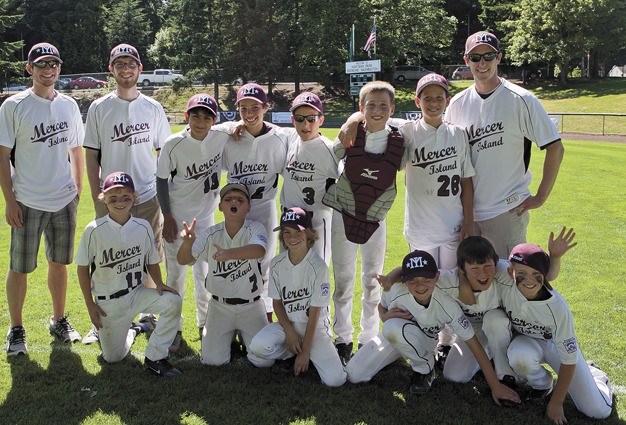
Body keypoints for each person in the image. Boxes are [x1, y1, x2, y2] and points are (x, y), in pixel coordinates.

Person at [444, 31, 564, 259]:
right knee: (475, 285)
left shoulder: (521, 100)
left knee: (508, 282)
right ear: (466, 60)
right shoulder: (458, 104)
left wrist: (540, 197)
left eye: (488, 56)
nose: (482, 63)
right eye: (475, 57)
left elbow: (555, 148)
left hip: (506, 211)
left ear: (499, 57)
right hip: (466, 214)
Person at [345, 250, 520, 406]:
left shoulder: (447, 303)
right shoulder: (396, 289)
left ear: (436, 277)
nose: (420, 285)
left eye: (426, 279)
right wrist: (383, 315)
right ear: (404, 281)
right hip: (396, 336)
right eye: (413, 280)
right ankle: (406, 354)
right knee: (354, 374)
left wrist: (495, 385)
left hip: (425, 341)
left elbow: (472, 342)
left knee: (392, 329)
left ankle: (425, 368)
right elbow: (382, 305)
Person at [82, 43, 172, 343]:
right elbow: (91, 154)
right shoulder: (99, 107)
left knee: (150, 255)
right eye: (119, 64)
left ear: (139, 69)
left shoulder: (153, 107)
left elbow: (165, 153)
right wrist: (98, 196)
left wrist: (163, 194)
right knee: (106, 259)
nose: (125, 69)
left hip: (146, 194)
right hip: (111, 198)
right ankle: (101, 316)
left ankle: (146, 312)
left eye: (131, 63)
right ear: (112, 70)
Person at [0, 42, 84, 355]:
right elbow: (3, 155)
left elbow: (76, 148)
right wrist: (9, 200)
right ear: (29, 69)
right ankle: (16, 328)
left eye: (53, 65)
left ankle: (59, 319)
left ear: (59, 68)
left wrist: (77, 188)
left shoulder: (69, 105)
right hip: (27, 200)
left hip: (64, 200)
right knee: (20, 267)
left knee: (59, 263)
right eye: (41, 65)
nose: (48, 71)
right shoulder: (14, 105)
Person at [322, 81, 406, 365]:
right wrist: (352, 121)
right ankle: (342, 338)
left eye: (384, 105)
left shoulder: (400, 139)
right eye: (370, 105)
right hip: (343, 215)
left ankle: (368, 337)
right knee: (343, 281)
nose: (377, 110)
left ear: (392, 109)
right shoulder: (349, 136)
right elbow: (330, 155)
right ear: (361, 108)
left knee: (373, 281)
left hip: (375, 219)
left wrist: (354, 117)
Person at [75, 172, 183, 377]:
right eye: (113, 198)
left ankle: (155, 357)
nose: (120, 202)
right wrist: (90, 304)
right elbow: (82, 269)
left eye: (126, 197)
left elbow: (151, 259)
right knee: (113, 358)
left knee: (173, 301)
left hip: (136, 293)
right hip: (109, 304)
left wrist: (159, 283)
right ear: (103, 200)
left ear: (134, 198)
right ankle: (131, 330)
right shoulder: (94, 230)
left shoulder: (142, 226)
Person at [503, 243, 613, 423]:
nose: (529, 280)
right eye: (521, 274)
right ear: (510, 272)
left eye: (536, 274)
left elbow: (568, 359)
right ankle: (541, 385)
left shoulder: (557, 308)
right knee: (519, 355)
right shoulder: (503, 278)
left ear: (544, 275)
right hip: (527, 342)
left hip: (557, 348)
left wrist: (557, 402)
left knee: (597, 411)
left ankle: (595, 374)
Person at [156, 94, 231, 351]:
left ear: (214, 119)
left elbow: (241, 126)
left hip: (207, 219)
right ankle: (173, 327)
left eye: (207, 116)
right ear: (187, 117)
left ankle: (205, 323)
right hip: (177, 217)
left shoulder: (221, 136)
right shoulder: (173, 143)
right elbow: (161, 180)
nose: (201, 121)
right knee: (176, 275)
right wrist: (166, 216)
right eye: (195, 115)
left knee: (205, 275)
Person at [177, 182, 272, 368]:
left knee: (264, 361)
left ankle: (244, 339)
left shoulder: (255, 228)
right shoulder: (211, 233)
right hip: (220, 306)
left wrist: (228, 255)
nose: (233, 203)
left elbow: (259, 250)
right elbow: (183, 260)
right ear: (220, 206)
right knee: (213, 361)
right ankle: (230, 340)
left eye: (240, 200)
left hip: (251, 305)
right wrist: (187, 244)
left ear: (248, 207)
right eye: (228, 199)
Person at [249, 207, 346, 387]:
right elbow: (277, 303)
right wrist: (290, 332)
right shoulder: (277, 262)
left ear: (309, 234)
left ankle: (303, 353)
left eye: (297, 232)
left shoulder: (318, 267)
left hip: (314, 328)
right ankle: (290, 353)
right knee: (257, 350)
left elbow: (315, 312)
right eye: (286, 232)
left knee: (335, 380)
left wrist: (306, 352)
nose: (292, 238)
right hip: (288, 324)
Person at [221, 83, 289, 320]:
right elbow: (206, 130)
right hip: (236, 210)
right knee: (234, 261)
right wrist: (232, 125)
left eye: (255, 108)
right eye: (243, 108)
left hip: (264, 207)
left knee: (265, 263)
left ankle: (267, 314)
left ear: (266, 107)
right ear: (237, 109)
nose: (249, 114)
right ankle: (234, 313)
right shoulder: (230, 136)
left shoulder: (280, 136)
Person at [279, 92, 340, 265]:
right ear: (293, 120)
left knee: (317, 273)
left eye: (312, 118)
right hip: (289, 222)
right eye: (300, 118)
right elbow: (264, 126)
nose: (305, 124)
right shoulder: (290, 139)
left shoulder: (329, 149)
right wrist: (239, 125)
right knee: (288, 272)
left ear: (321, 120)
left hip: (316, 221)